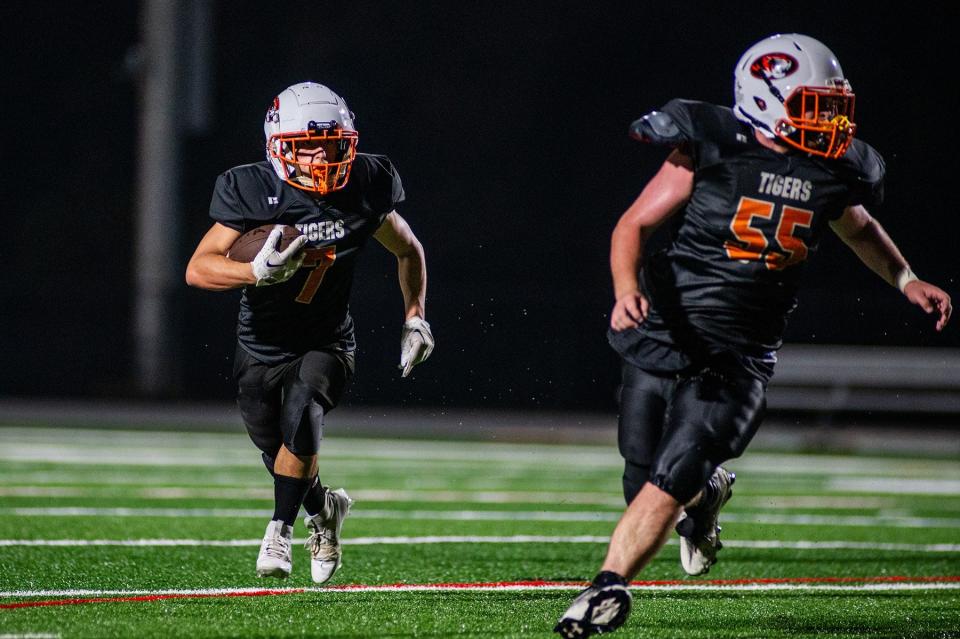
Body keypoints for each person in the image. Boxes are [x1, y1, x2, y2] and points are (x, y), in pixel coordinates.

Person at [555, 33, 951, 637]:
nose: (831, 121)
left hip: (739, 353)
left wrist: (907, 279)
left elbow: (861, 229)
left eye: (834, 107)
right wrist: (625, 289)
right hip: (667, 328)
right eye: (814, 106)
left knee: (674, 468)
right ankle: (704, 499)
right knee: (641, 472)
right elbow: (633, 223)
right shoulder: (711, 144)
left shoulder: (832, 170)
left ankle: (605, 587)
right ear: (765, 99)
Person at [186, 81, 434, 583]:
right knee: (273, 447)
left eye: (332, 145)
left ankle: (280, 530)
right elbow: (198, 268)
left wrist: (415, 315)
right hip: (261, 343)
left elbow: (408, 249)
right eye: (308, 147)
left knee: (304, 413)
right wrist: (255, 271)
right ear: (278, 146)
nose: (322, 158)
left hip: (328, 339)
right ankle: (324, 509)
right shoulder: (254, 188)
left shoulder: (365, 183)